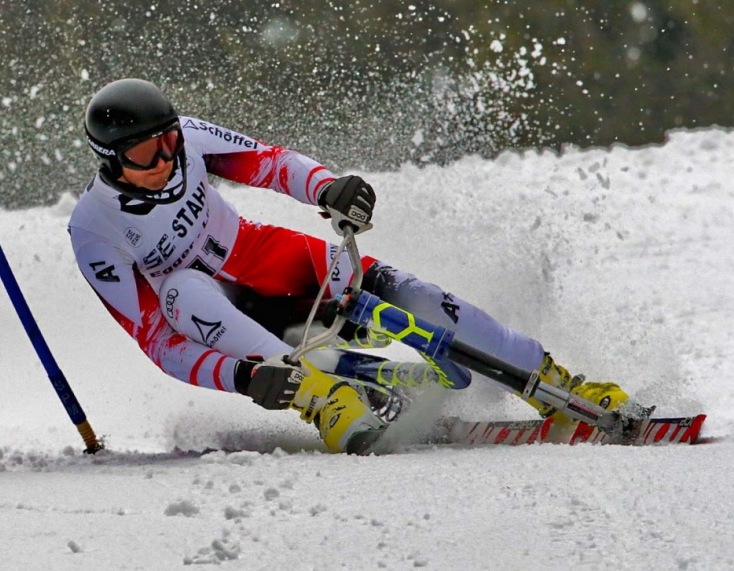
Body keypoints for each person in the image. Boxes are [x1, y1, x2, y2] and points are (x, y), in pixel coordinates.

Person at [69, 78, 629, 454]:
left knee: (419, 300)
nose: (167, 159)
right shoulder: (95, 230)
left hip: (268, 258)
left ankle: (555, 381)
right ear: (111, 159)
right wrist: (241, 377)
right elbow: (158, 344)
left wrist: (328, 187)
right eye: (146, 153)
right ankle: (322, 397)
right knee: (183, 290)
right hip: (217, 317)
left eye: (168, 141)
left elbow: (270, 164)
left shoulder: (187, 139)